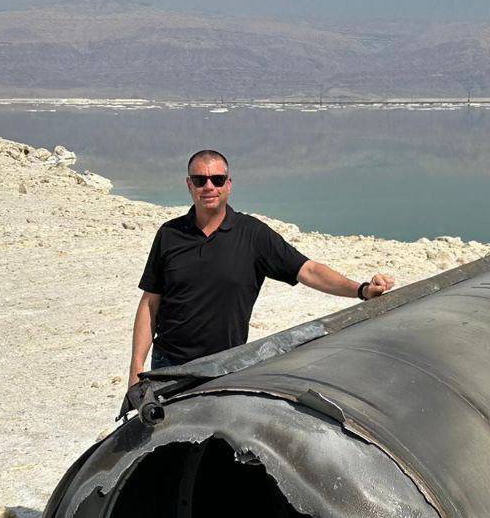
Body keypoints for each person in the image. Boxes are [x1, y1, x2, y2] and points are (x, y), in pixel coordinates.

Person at [128, 149, 394, 388]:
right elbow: (150, 303)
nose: (209, 186)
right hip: (169, 364)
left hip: (225, 366)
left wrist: (361, 290)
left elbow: (308, 270)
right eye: (200, 180)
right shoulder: (170, 234)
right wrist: (136, 371)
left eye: (217, 179)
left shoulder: (253, 235)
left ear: (228, 185)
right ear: (189, 185)